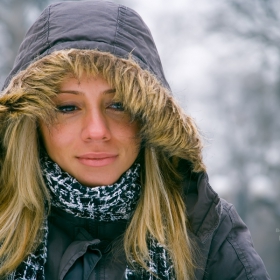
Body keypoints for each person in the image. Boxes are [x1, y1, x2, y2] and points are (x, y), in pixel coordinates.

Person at [0, 1, 270, 279]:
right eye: (68, 107)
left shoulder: (206, 232)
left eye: (118, 106)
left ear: (149, 118)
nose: (96, 130)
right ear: (30, 120)